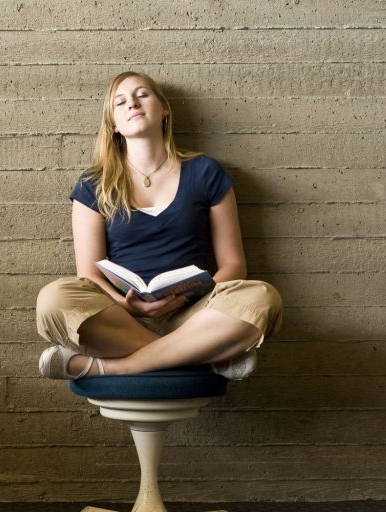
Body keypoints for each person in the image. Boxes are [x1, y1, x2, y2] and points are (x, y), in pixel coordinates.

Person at [36, 71, 283, 380]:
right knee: (53, 300)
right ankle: (201, 356)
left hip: (196, 313)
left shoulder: (205, 171)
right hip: (122, 317)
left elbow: (234, 265)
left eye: (142, 95)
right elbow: (88, 275)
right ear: (113, 124)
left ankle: (112, 367)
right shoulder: (93, 184)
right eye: (120, 102)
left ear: (164, 109)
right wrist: (127, 305)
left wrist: (188, 297)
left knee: (263, 298)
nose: (132, 104)